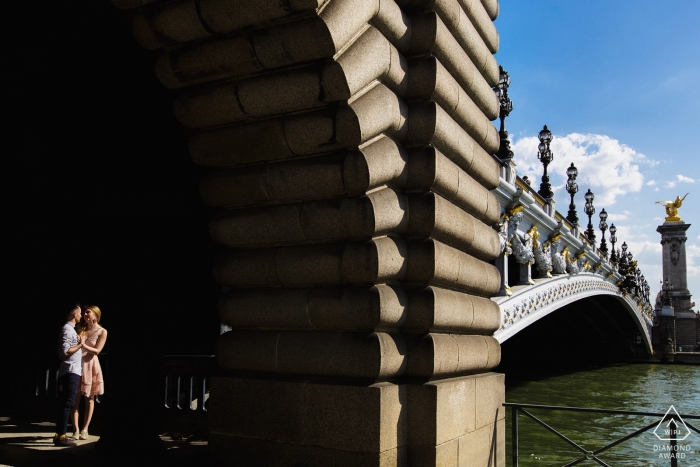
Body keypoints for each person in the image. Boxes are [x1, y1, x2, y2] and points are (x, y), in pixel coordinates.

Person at [70, 305, 107, 441]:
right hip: (77, 364)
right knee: (75, 398)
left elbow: (97, 350)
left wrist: (83, 345)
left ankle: (85, 429)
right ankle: (75, 429)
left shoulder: (102, 331)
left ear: (95, 314)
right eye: (84, 312)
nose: (85, 315)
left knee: (89, 399)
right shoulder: (80, 328)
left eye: (88, 312)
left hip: (90, 365)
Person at [54, 304, 83, 446]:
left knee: (66, 404)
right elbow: (65, 352)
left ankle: (59, 433)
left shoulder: (71, 330)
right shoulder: (67, 329)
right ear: (74, 315)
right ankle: (61, 436)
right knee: (67, 403)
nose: (81, 316)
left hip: (72, 370)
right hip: (70, 371)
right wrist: (80, 345)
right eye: (80, 313)